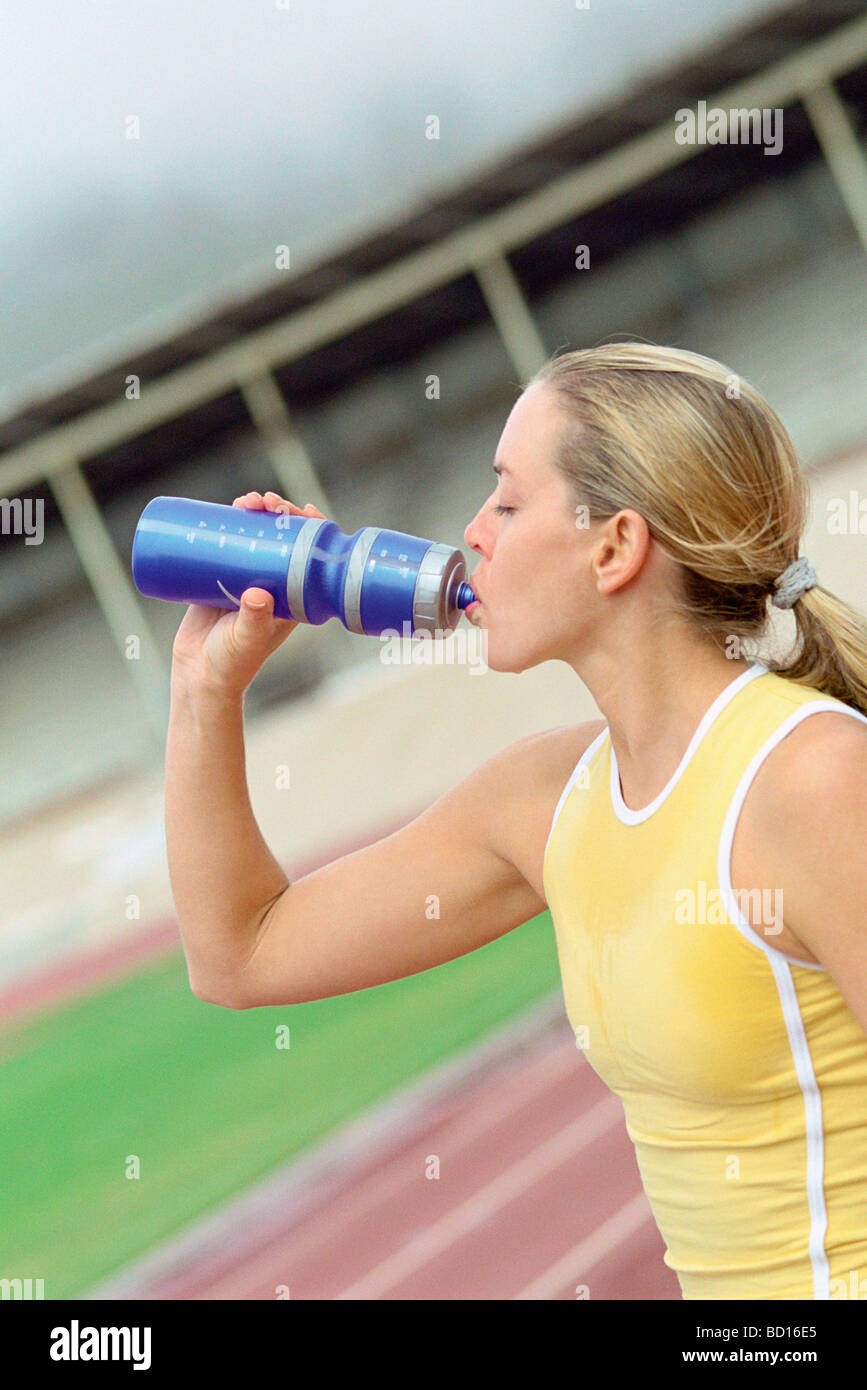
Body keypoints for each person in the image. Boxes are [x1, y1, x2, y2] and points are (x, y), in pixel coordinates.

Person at [166, 341, 867, 1300]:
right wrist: (206, 694)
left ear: (613, 547)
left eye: (505, 500)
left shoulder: (811, 780)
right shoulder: (543, 801)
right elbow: (239, 955)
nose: (472, 532)